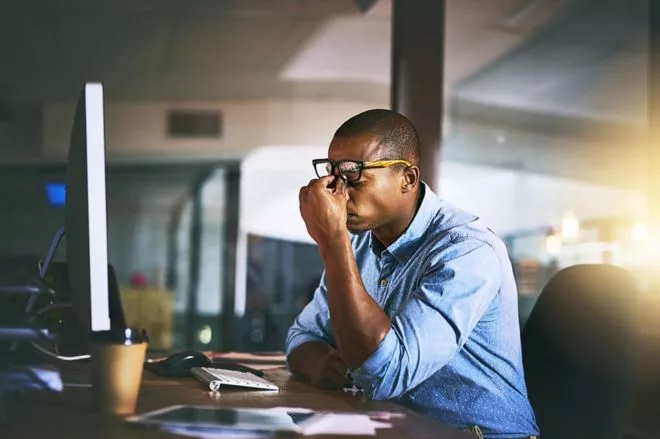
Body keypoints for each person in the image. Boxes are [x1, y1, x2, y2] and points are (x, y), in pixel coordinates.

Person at [286, 109, 539, 439]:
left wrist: (333, 242)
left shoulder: (468, 251)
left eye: (353, 174)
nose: (337, 191)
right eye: (332, 173)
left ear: (407, 178)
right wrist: (321, 364)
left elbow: (384, 373)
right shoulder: (362, 245)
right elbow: (302, 335)